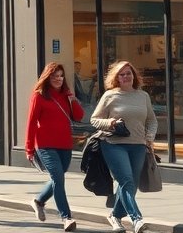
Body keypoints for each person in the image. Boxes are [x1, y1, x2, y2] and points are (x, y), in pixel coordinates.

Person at [91, 60, 157, 233]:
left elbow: (151, 119)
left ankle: (115, 216)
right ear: (117, 78)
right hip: (114, 144)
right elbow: (94, 120)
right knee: (126, 180)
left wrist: (149, 137)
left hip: (138, 145)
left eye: (129, 73)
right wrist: (110, 122)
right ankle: (137, 219)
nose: (126, 76)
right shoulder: (110, 96)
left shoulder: (143, 96)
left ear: (134, 75)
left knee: (130, 184)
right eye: (122, 74)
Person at [26, 62, 83, 232]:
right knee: (58, 178)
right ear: (47, 77)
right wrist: (29, 149)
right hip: (45, 145)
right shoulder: (39, 96)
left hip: (65, 144)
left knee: (57, 178)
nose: (58, 79)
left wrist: (72, 99)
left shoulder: (66, 95)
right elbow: (31, 124)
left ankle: (39, 201)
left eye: (60, 76)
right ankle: (66, 217)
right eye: (54, 76)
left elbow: (79, 116)